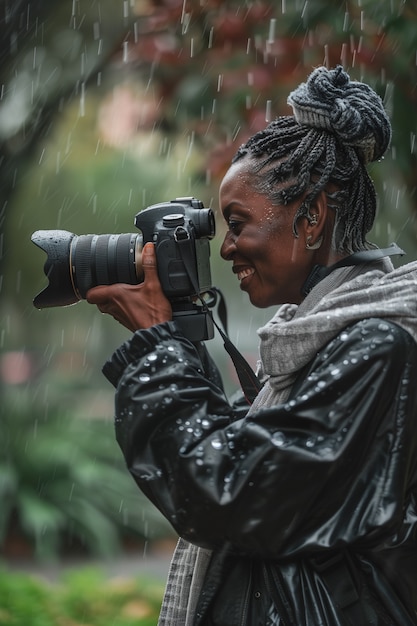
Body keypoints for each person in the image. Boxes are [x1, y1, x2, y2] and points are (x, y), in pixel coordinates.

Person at [87, 65, 417, 625]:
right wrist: (178, 342)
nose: (229, 248)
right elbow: (248, 455)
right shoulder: (318, 344)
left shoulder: (378, 346)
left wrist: (156, 348)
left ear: (311, 218)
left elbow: (232, 496)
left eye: (238, 224)